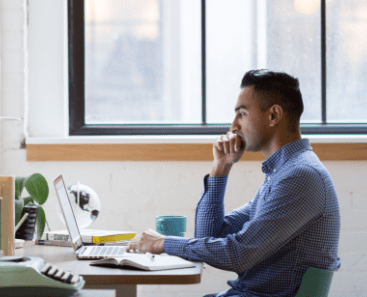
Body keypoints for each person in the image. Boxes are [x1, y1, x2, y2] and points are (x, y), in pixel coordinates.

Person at [126, 69, 341, 297]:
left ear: (273, 116)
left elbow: (239, 254)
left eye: (242, 114)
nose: (233, 126)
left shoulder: (300, 176)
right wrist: (221, 167)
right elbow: (208, 237)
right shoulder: (282, 174)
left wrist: (163, 243)